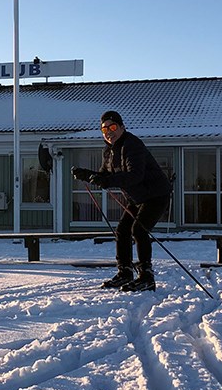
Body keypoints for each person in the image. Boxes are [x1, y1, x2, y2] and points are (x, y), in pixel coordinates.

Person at [71, 111, 172, 291]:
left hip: (156, 195)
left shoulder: (132, 145)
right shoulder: (108, 151)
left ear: (122, 127)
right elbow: (105, 175)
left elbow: (135, 175)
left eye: (112, 127)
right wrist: (86, 174)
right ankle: (125, 272)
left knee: (139, 231)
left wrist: (107, 181)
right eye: (104, 129)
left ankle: (146, 277)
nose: (109, 132)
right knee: (122, 230)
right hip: (136, 198)